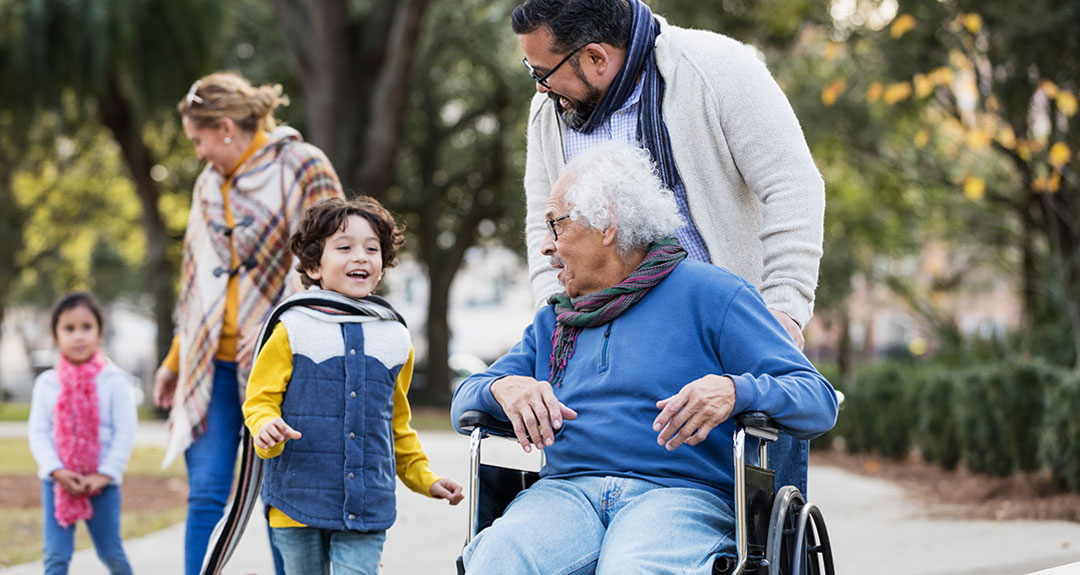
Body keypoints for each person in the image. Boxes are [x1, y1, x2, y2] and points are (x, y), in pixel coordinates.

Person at [451, 143, 837, 574]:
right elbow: (464, 401)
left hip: (678, 496)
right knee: (496, 558)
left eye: (555, 226)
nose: (545, 246)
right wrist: (502, 387)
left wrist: (735, 390)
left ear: (607, 225)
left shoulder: (712, 295)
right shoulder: (556, 320)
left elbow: (816, 399)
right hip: (565, 495)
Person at [511, 0, 826, 495]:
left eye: (542, 71)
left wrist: (783, 311)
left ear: (595, 58)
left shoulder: (715, 68)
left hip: (721, 332)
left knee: (757, 525)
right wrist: (556, 323)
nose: (540, 86)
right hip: (611, 343)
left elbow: (793, 186)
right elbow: (541, 223)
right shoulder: (551, 112)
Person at [153, 71, 345, 575]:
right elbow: (195, 285)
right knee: (208, 495)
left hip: (281, 362)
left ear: (223, 127)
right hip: (210, 364)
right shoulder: (207, 186)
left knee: (279, 500)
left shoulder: (302, 165)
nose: (197, 153)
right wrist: (174, 361)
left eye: (198, 140)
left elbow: (334, 263)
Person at [243, 197, 465, 575]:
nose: (360, 257)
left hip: (366, 502)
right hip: (297, 499)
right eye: (344, 247)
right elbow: (259, 401)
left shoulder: (395, 337)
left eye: (371, 248)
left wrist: (424, 478)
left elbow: (395, 424)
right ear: (314, 264)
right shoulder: (291, 328)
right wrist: (265, 427)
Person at [28, 292, 137, 575]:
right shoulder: (46, 384)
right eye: (69, 328)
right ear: (56, 336)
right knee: (56, 557)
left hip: (102, 482)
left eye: (86, 327)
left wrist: (105, 474)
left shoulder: (114, 380)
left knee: (112, 553)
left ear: (100, 333)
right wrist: (55, 471)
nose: (78, 336)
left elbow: (125, 432)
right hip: (58, 483)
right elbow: (38, 432)